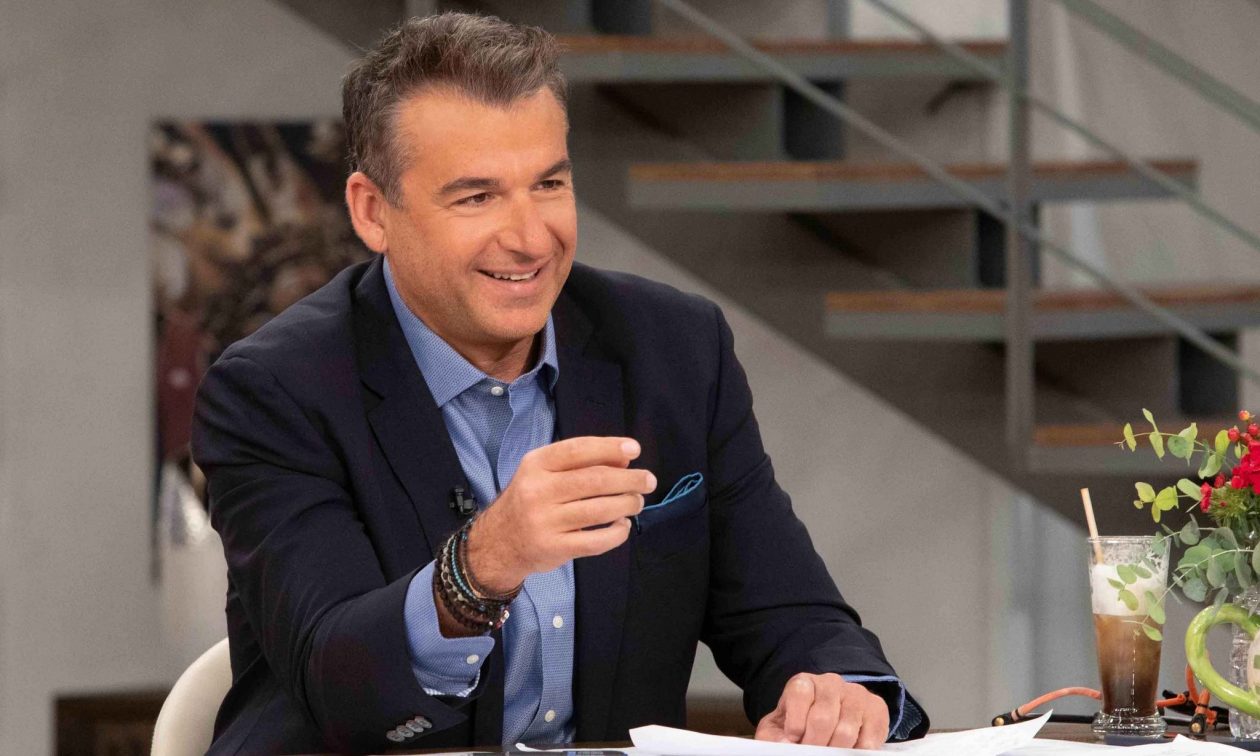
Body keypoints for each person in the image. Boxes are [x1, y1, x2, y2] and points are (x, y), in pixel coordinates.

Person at [191, 12, 929, 754]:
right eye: (476, 197)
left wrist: (837, 691)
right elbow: (335, 680)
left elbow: (789, 610)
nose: (530, 238)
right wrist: (480, 567)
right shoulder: (274, 391)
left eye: (548, 183)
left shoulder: (675, 349)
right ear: (373, 211)